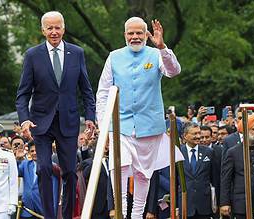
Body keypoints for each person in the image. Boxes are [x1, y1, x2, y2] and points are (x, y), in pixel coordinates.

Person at [96, 17, 182, 218]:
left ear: (146, 35)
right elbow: (102, 93)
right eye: (130, 33)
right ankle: (121, 214)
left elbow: (173, 71)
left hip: (149, 126)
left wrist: (162, 47)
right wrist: (103, 127)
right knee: (120, 168)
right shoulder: (114, 57)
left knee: (144, 175)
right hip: (120, 125)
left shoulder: (156, 53)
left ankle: (136, 215)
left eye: (139, 33)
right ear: (124, 35)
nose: (135, 37)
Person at [15, 11, 96, 219]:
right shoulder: (33, 55)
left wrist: (90, 117)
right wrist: (24, 119)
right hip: (40, 122)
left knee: (69, 172)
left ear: (64, 28)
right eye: (49, 28)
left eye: (57, 27)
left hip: (68, 122)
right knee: (43, 169)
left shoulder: (77, 53)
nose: (54, 32)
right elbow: (22, 94)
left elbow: (86, 90)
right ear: (43, 30)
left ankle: (67, 216)